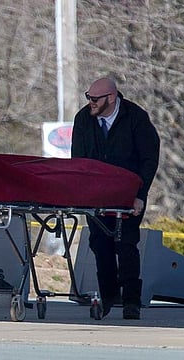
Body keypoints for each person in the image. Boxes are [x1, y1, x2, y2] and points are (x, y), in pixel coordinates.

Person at [71, 77, 160, 320]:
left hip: (129, 195)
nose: (90, 103)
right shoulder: (83, 119)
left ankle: (132, 302)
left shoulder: (135, 118)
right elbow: (78, 159)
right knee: (100, 245)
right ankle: (109, 297)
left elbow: (149, 159)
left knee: (126, 244)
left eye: (95, 99)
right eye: (88, 97)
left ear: (111, 97)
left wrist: (139, 196)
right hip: (97, 195)